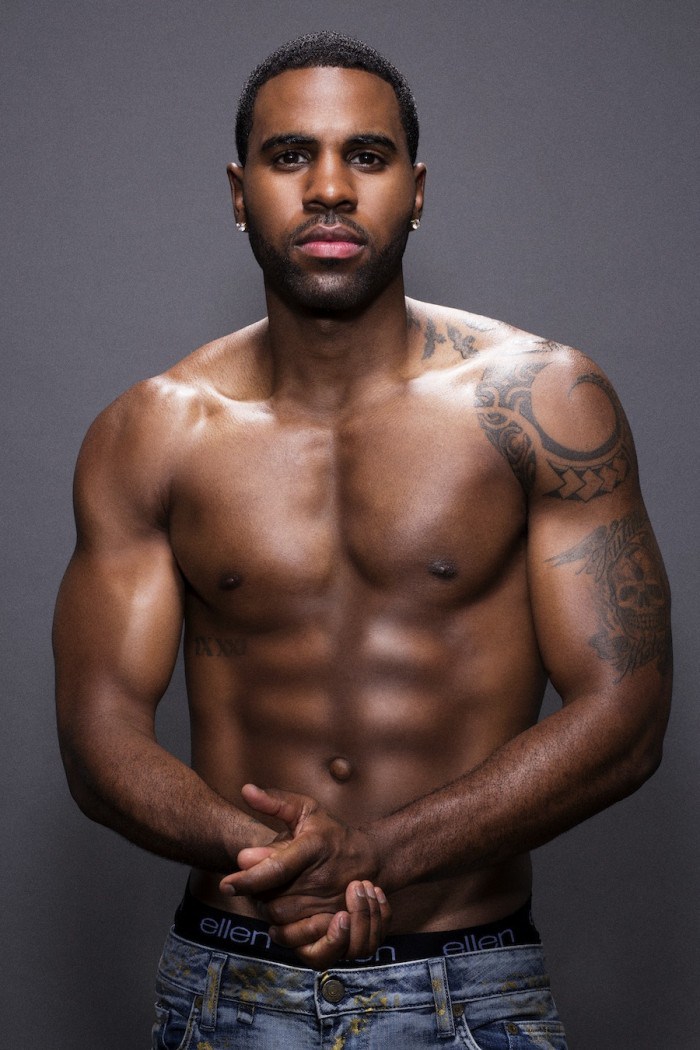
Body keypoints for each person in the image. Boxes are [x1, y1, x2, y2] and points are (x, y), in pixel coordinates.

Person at [53, 31, 672, 1050]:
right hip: (228, 986)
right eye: (290, 155)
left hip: (467, 987)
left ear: (416, 191)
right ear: (239, 192)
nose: (330, 188)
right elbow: (97, 734)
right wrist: (275, 861)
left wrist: (378, 852)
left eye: (368, 157)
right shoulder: (152, 433)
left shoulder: (542, 401)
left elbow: (628, 712)